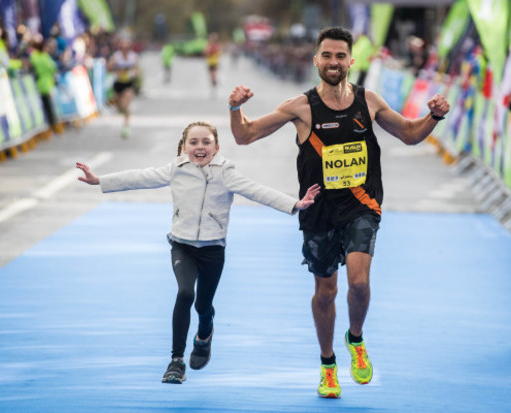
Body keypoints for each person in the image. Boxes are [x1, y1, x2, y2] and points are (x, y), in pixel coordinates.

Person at [228, 26, 449, 399]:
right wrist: (235, 108)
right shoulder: (299, 106)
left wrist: (434, 117)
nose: (334, 62)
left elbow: (410, 134)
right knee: (326, 291)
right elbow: (244, 135)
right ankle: (328, 364)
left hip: (361, 205)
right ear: (316, 60)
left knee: (359, 283)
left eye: (340, 55)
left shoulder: (370, 101)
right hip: (318, 212)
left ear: (351, 60)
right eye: (327, 55)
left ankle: (356, 339)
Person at [76, 121, 320, 384]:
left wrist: (294, 203)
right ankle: (176, 361)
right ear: (183, 147)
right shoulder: (176, 169)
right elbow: (140, 177)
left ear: (216, 147)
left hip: (213, 250)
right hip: (182, 246)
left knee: (203, 305)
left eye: (206, 142)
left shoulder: (226, 173)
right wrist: (100, 180)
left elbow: (256, 190)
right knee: (185, 293)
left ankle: (204, 335)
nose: (200, 147)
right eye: (193, 142)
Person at [107, 37, 140, 138]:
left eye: (127, 47)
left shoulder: (133, 56)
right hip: (118, 83)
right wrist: (115, 69)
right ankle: (121, 109)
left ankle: (126, 126)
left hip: (128, 83)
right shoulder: (116, 56)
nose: (125, 49)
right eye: (123, 47)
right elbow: (108, 67)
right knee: (118, 105)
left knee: (126, 105)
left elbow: (137, 70)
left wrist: (133, 74)